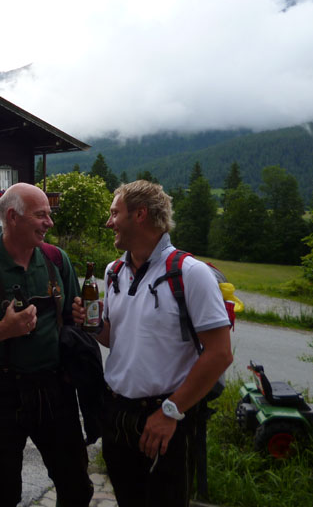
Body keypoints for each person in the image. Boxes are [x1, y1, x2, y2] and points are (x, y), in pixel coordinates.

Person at [73, 180, 232, 507]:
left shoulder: (190, 273)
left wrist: (171, 412)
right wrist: (93, 326)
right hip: (117, 415)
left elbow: (220, 354)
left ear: (140, 214)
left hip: (164, 415)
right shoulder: (114, 271)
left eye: (114, 213)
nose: (109, 222)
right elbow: (116, 338)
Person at [0, 183, 94, 507]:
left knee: (77, 486)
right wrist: (3, 329)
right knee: (3, 493)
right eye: (41, 215)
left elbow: (73, 320)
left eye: (48, 215)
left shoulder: (56, 260)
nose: (49, 222)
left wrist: (80, 316)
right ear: (13, 217)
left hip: (55, 388)